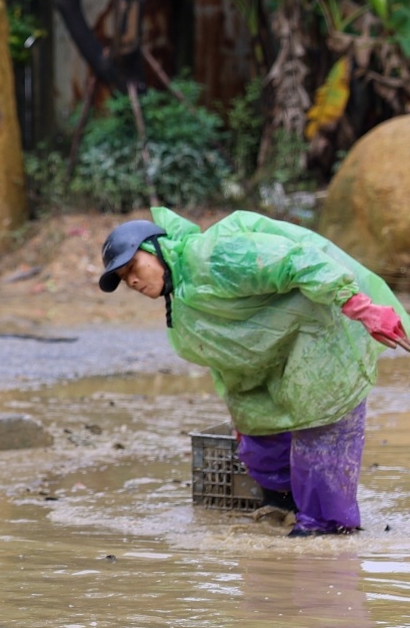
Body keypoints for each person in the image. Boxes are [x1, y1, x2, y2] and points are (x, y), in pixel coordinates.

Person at [100, 210, 409, 535]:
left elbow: (300, 260)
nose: (132, 281)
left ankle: (325, 530)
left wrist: (360, 306)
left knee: (320, 427)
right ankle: (283, 507)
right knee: (259, 432)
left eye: (133, 267)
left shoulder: (214, 255)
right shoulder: (182, 305)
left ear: (156, 248)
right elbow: (224, 361)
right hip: (276, 354)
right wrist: (240, 411)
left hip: (321, 328)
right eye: (123, 278)